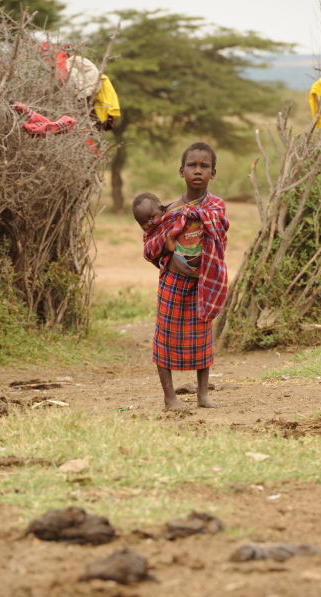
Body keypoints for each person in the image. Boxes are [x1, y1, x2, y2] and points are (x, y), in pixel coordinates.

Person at [135, 142, 229, 410]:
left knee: (202, 337)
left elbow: (220, 233)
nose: (197, 171)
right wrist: (165, 241)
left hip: (203, 282)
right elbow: (150, 248)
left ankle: (203, 394)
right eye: (192, 165)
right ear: (181, 171)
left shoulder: (216, 206)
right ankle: (169, 398)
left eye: (204, 166)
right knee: (165, 337)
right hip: (173, 282)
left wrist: (193, 217)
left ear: (213, 172)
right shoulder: (170, 211)